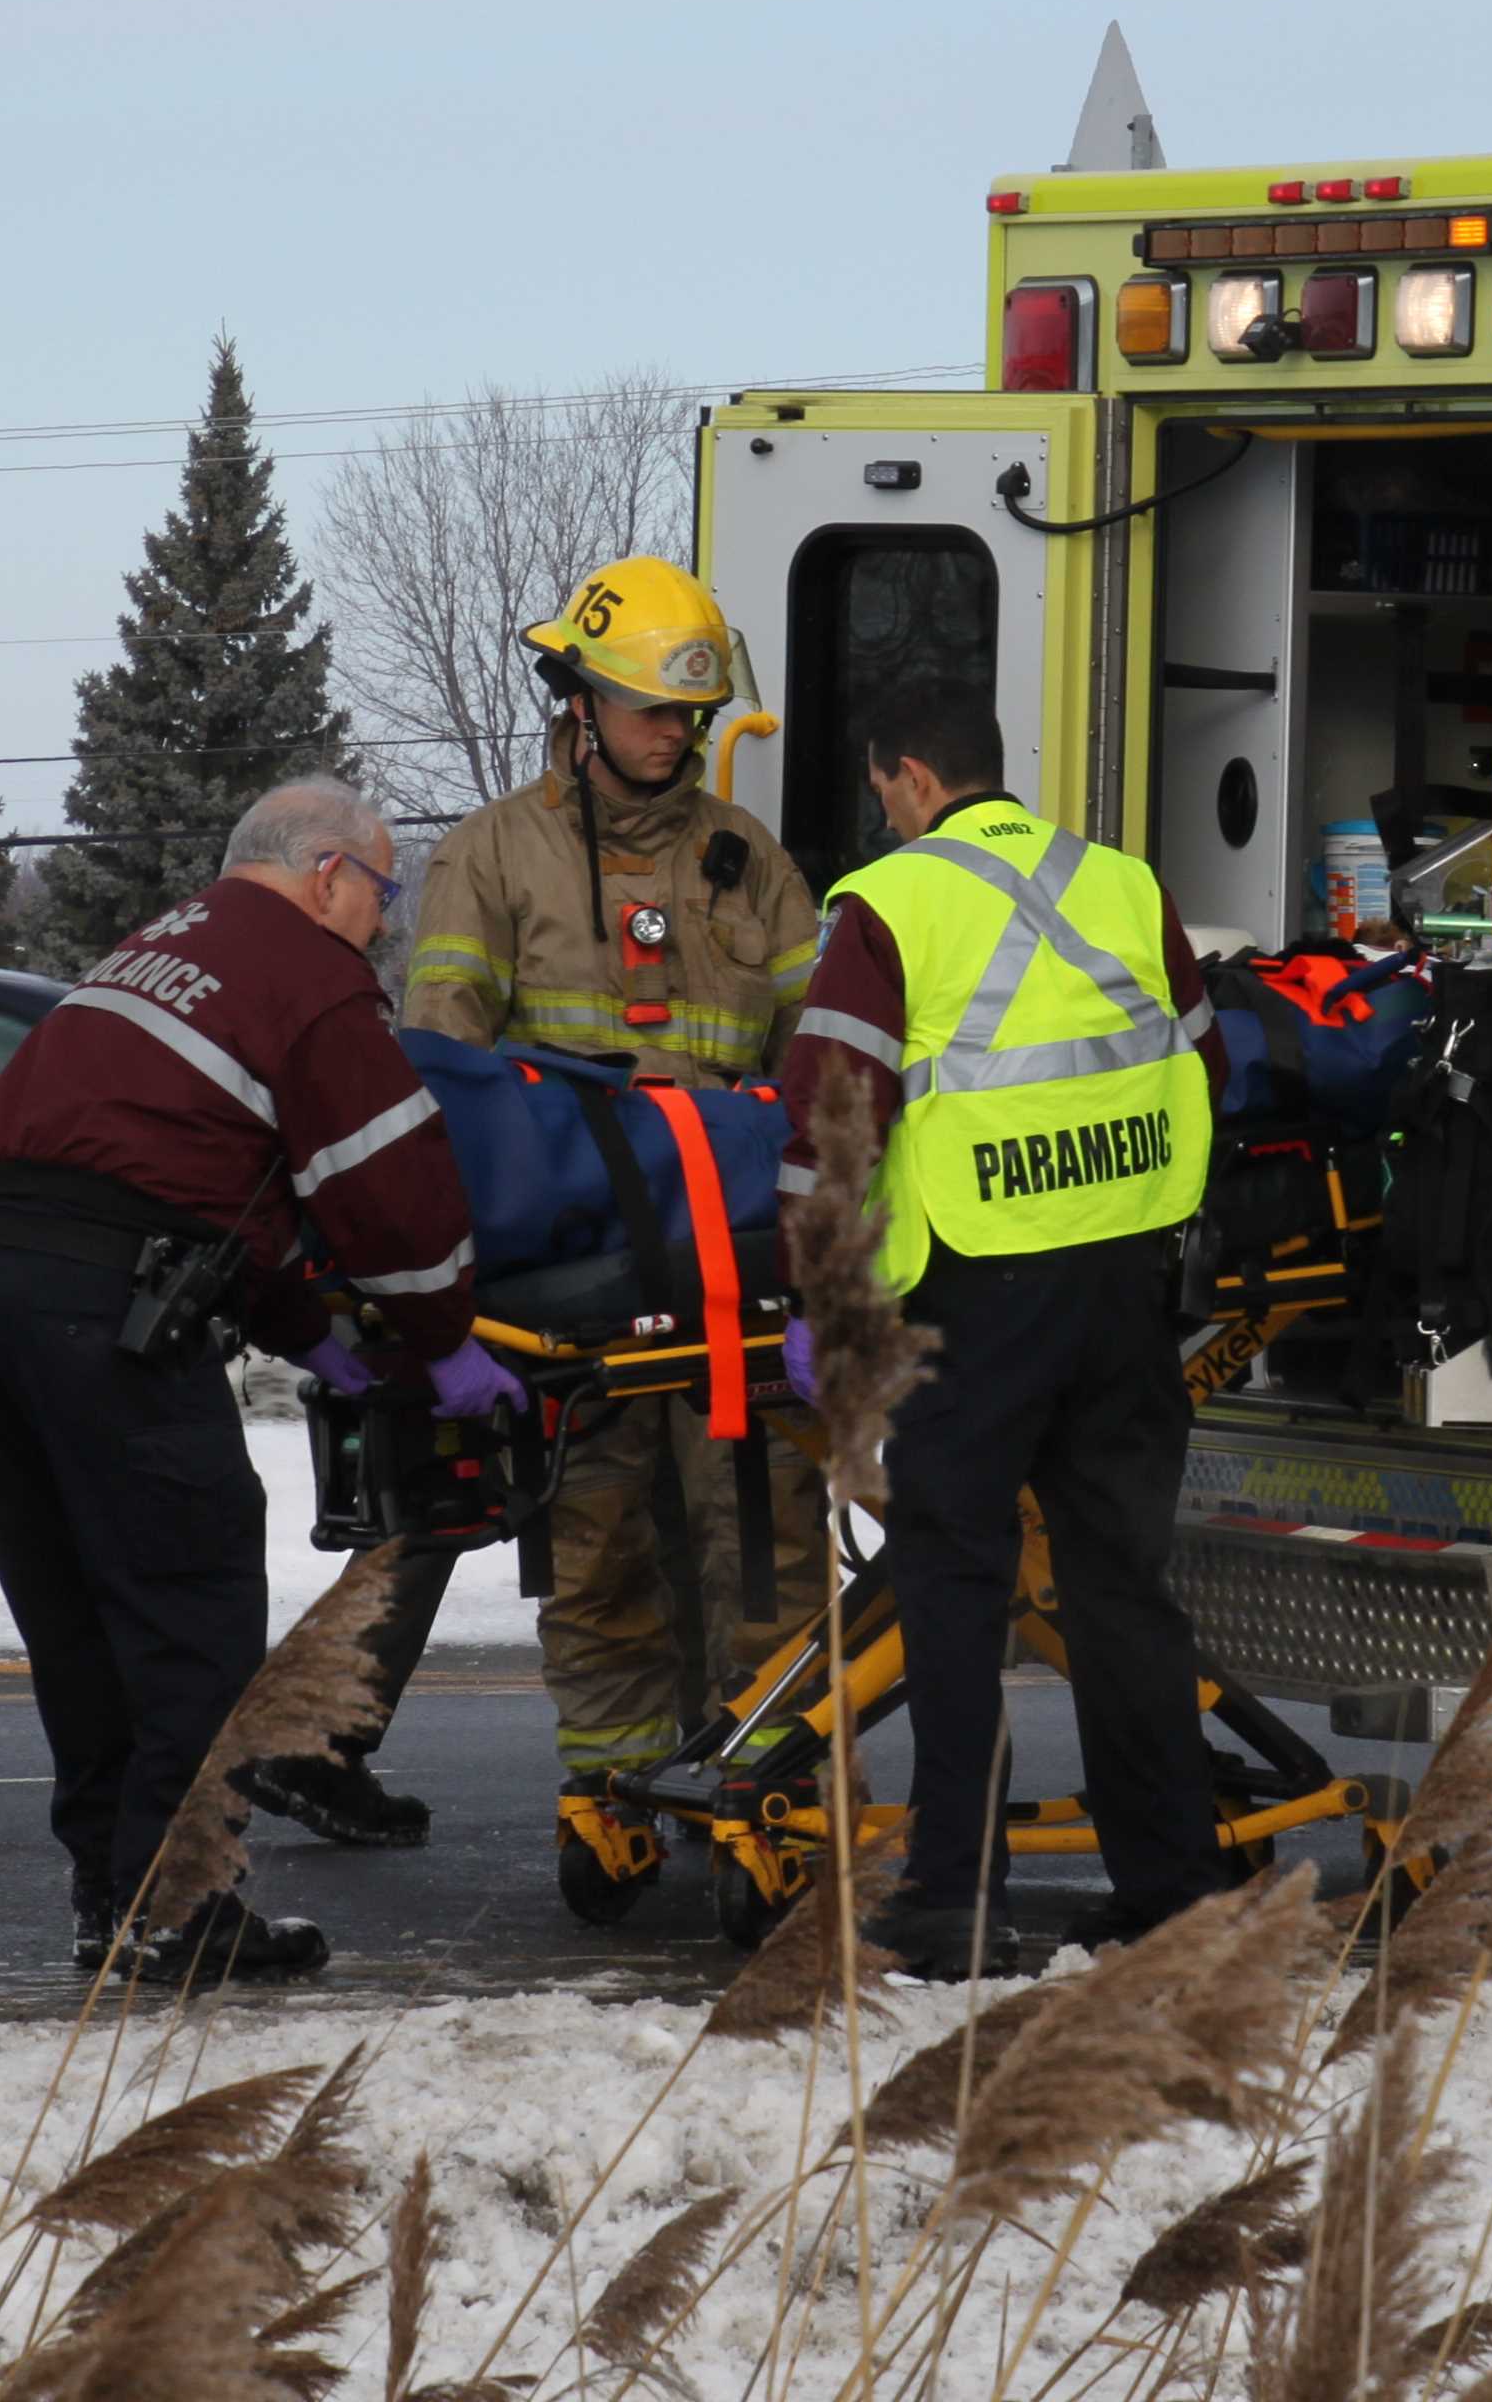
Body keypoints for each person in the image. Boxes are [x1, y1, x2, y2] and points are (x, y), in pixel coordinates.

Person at [0, 773, 510, 1982]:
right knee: (189, 1604)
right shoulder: (308, 978)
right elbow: (386, 1184)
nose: (383, 923)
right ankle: (181, 1905)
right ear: (325, 876)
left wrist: (307, 1329)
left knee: (83, 1618)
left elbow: (190, 1184)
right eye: (381, 893)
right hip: (101, 1315)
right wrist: (441, 1336)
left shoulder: (157, 949)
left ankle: (113, 1895)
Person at [771, 684, 1222, 1974]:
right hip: (1130, 1289)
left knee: (954, 1595)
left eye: (880, 791)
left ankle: (955, 1904)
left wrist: (821, 1298)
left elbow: (832, 1122)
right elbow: (1204, 1060)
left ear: (910, 776)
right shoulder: (1126, 885)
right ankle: (1171, 1889)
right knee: (1122, 1594)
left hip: (974, 1295)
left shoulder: (892, 903)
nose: (881, 812)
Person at [400, 558, 832, 1853]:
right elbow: (448, 1077)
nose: (681, 736)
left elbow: (818, 1073)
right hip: (576, 1290)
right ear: (579, 705)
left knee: (761, 1553)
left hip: (734, 1283)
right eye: (655, 710)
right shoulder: (491, 858)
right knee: (596, 1563)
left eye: (692, 716)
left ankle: (771, 1795)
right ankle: (615, 1794)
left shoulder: (751, 864)